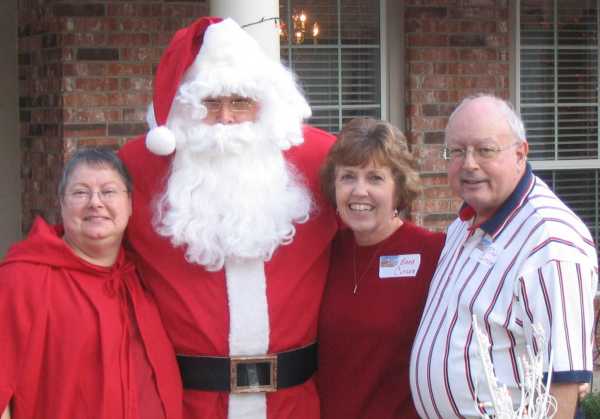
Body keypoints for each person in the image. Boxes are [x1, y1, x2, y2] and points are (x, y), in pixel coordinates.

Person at [118, 17, 337, 419]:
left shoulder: (323, 161)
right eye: (209, 103)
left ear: (266, 105)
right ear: (184, 108)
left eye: (241, 102)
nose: (226, 118)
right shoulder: (136, 168)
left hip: (296, 404)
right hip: (186, 405)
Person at [410, 94, 597, 419]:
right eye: (457, 151)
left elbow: (563, 385)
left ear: (520, 154)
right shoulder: (464, 224)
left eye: (485, 150)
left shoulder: (549, 241)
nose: (468, 164)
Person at [0, 149, 182, 419]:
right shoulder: (23, 279)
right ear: (61, 204)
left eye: (108, 192)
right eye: (80, 192)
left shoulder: (142, 278)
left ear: (130, 203)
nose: (95, 202)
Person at [317, 118, 445, 419]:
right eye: (348, 177)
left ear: (399, 189)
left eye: (375, 178)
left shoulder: (433, 254)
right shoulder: (325, 252)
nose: (359, 191)